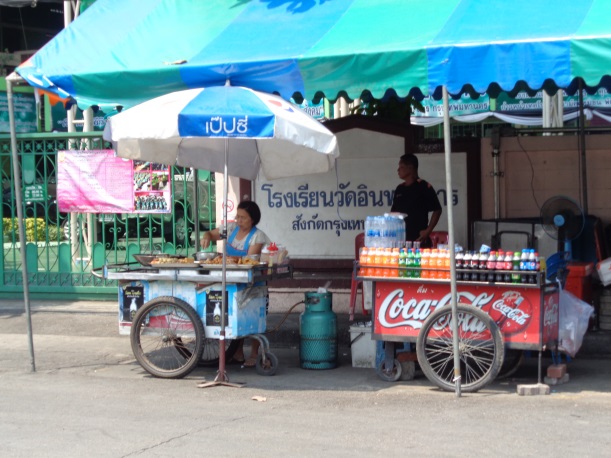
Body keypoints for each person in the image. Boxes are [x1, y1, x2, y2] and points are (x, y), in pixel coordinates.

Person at [200, 200, 270, 368]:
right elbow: (211, 233)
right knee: (234, 316)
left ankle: (254, 353)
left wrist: (228, 259)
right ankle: (236, 352)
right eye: (237, 216)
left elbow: (249, 259)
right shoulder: (230, 229)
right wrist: (207, 236)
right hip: (231, 280)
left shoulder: (257, 236)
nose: (238, 220)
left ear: (252, 219)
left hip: (252, 283)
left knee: (253, 317)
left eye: (243, 218)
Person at [390, 153, 442, 248]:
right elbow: (393, 213)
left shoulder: (423, 186)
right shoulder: (399, 189)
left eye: (401, 167)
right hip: (401, 241)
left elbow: (437, 210)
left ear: (410, 168)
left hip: (419, 241)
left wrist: (428, 231)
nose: (398, 170)